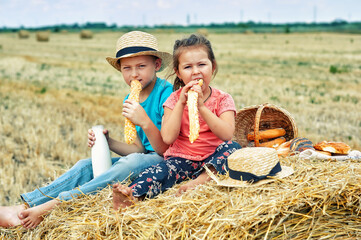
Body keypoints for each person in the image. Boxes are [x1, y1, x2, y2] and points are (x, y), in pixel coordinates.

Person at [0, 31, 173, 229]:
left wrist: (145, 121)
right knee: (85, 166)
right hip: (143, 159)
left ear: (157, 65)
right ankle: (24, 206)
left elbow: (164, 151)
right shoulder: (129, 100)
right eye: (127, 68)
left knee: (128, 164)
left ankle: (56, 205)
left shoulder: (167, 94)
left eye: (141, 66)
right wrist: (109, 143)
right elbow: (139, 149)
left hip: (167, 161)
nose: (134, 74)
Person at [113, 34, 241, 210]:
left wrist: (202, 108)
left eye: (202, 64)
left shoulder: (223, 99)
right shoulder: (173, 100)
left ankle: (199, 180)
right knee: (156, 173)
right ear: (179, 73)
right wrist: (182, 103)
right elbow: (167, 137)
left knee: (234, 149)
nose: (195, 71)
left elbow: (226, 134)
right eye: (188, 67)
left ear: (213, 67)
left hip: (213, 156)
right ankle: (132, 194)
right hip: (181, 159)